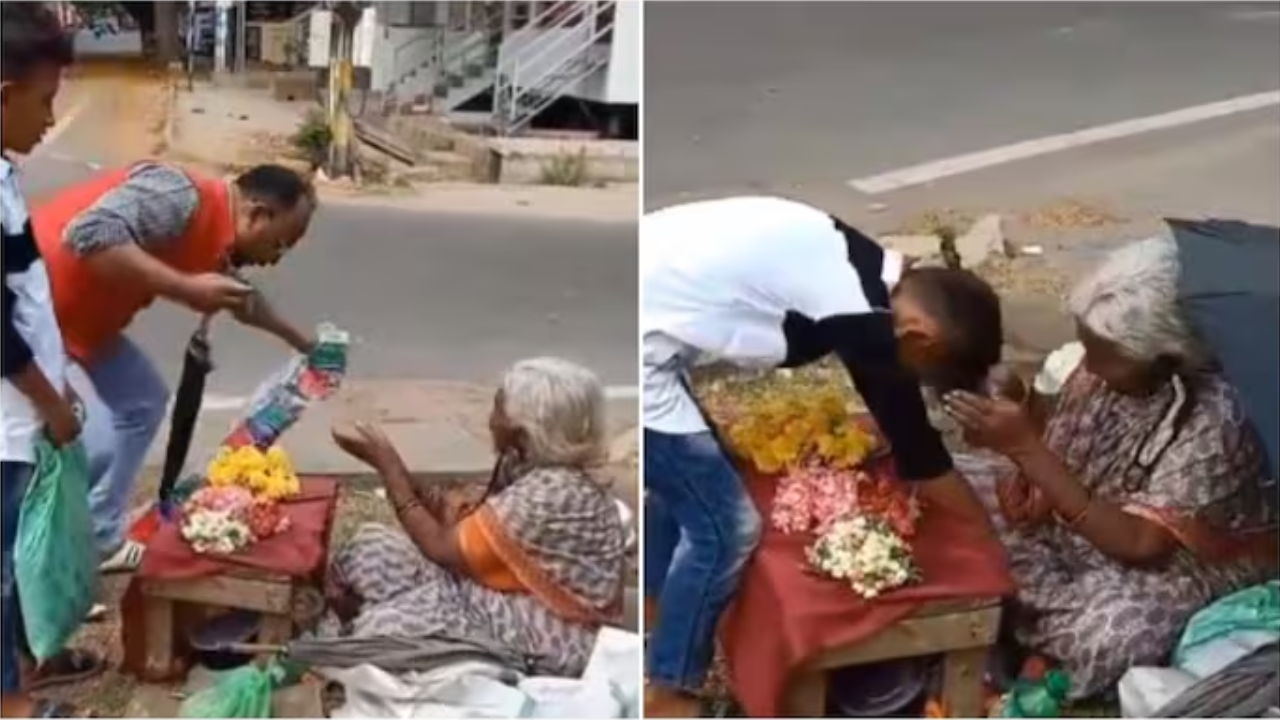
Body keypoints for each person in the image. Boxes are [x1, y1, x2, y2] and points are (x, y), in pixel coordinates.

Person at [641, 196, 1004, 715]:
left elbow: (891, 407)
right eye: (925, 371)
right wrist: (985, 540)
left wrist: (896, 417)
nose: (915, 381)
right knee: (727, 528)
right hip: (647, 340)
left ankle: (660, 620)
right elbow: (921, 455)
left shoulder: (868, 273)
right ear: (920, 338)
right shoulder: (865, 318)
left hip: (652, 297)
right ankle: (670, 694)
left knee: (689, 482)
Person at [943, 235, 1278, 700]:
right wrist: (1025, 407)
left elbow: (1141, 544)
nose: (1092, 367)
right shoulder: (1109, 365)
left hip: (1172, 562)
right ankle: (1015, 618)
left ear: (1166, 356)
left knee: (1115, 632)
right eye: (1088, 348)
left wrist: (1026, 451)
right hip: (1076, 515)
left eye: (1105, 356)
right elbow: (1066, 431)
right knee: (953, 483)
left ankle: (1021, 632)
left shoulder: (1217, 413)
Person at [32, 161, 318, 574]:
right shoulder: (180, 196)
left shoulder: (218, 240)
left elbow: (244, 300)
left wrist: (304, 343)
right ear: (257, 214)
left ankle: (99, 536)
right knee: (87, 444)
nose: (275, 258)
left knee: (143, 401)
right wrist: (183, 286)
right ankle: (44, 567)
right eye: (281, 243)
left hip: (82, 329)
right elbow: (87, 234)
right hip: (33, 321)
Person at [325, 357, 628, 678]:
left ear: (523, 430)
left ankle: (380, 626)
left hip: (550, 628)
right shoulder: (523, 462)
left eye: (499, 408)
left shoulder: (553, 491)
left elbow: (442, 547)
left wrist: (388, 468)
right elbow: (458, 523)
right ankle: (381, 620)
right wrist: (395, 469)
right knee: (371, 547)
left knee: (382, 629)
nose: (491, 420)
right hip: (490, 592)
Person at [1, 5, 94, 716]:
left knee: (17, 560)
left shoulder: (3, 171)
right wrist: (51, 401)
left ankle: (27, 670)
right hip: (7, 421)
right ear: (5, 94)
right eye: (45, 101)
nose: (49, 119)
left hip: (21, 414)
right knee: (3, 567)